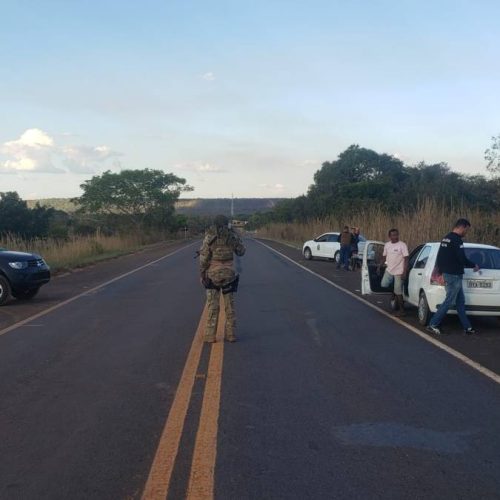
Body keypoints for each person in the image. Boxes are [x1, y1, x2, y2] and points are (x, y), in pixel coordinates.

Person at [426, 218, 480, 336]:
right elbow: (462, 258)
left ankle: (468, 328)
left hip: (448, 274)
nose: (466, 232)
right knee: (449, 301)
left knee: (460, 302)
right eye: (467, 230)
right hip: (454, 276)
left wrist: (440, 272)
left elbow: (440, 257)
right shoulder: (457, 240)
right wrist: (473, 265)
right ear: (462, 227)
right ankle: (433, 324)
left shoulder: (446, 238)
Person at [199, 214, 246, 343]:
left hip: (212, 276)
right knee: (229, 306)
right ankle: (230, 334)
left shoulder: (209, 237)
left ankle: (210, 336)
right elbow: (241, 252)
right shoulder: (231, 237)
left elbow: (203, 259)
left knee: (212, 306)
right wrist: (236, 236)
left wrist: (202, 274)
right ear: (227, 224)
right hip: (228, 276)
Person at [381, 229, 409, 316]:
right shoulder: (387, 245)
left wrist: (404, 272)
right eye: (393, 235)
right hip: (389, 270)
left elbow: (406, 259)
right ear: (389, 236)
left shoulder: (402, 245)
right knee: (383, 284)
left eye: (396, 235)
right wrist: (379, 266)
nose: (395, 237)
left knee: (398, 291)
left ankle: (402, 310)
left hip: (399, 271)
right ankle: (393, 292)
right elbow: (384, 256)